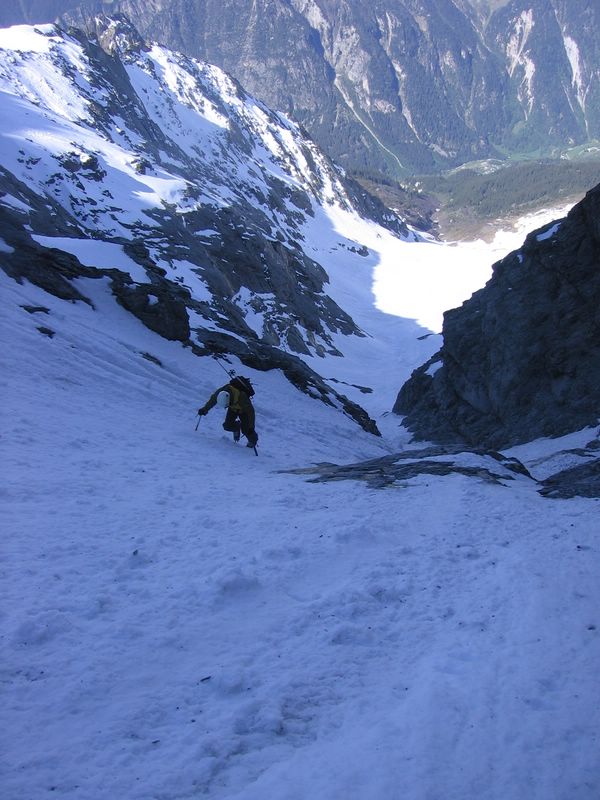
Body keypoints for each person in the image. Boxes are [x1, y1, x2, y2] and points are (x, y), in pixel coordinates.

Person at [198, 375, 258, 447]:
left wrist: (251, 427)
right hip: (233, 408)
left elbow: (251, 412)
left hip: (243, 411)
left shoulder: (242, 397)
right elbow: (213, 399)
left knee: (247, 430)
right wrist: (204, 409)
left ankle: (252, 442)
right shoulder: (222, 392)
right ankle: (237, 427)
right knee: (227, 426)